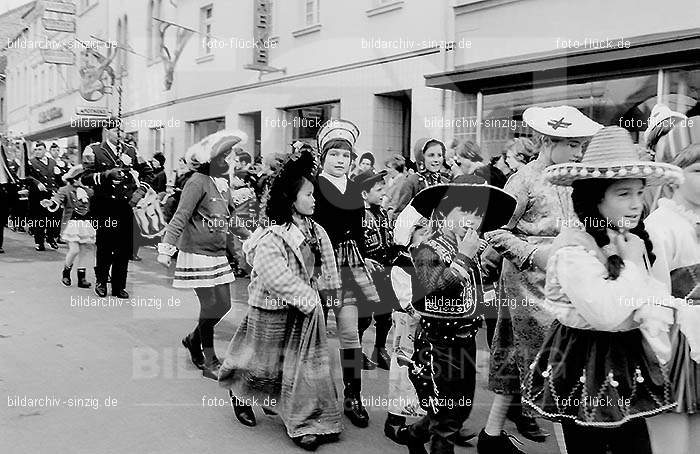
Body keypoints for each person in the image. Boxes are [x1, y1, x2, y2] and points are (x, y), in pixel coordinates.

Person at [522, 125, 682, 454]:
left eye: (639, 193)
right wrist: (634, 264)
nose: (636, 203)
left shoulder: (628, 238)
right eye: (623, 194)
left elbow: (653, 297)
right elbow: (607, 313)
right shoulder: (572, 249)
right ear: (596, 198)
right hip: (583, 360)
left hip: (626, 358)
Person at [479, 105, 602, 453]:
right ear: (550, 141)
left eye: (581, 145)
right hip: (526, 285)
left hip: (563, 281)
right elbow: (494, 230)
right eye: (574, 144)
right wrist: (534, 254)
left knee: (523, 359)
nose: (580, 152)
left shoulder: (574, 180)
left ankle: (490, 436)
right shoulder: (522, 180)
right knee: (550, 364)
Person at [218, 145, 342, 452]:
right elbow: (274, 275)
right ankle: (240, 395)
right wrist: (308, 297)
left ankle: (301, 414)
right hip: (270, 307)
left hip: (302, 309)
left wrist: (331, 298)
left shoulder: (317, 231)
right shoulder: (274, 234)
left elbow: (329, 266)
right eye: (309, 195)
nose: (314, 200)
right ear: (290, 198)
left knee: (292, 364)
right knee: (259, 360)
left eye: (315, 195)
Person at [394, 183, 517, 454]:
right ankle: (424, 438)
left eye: (477, 214)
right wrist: (464, 257)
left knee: (459, 410)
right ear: (443, 213)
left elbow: (474, 293)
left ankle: (413, 434)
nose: (471, 220)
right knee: (447, 420)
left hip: (466, 342)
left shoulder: (470, 248)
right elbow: (436, 288)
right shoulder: (428, 249)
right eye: (463, 211)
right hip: (437, 345)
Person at [157, 130, 244, 380]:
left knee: (224, 305)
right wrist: (166, 248)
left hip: (217, 254)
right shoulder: (197, 181)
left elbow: (232, 219)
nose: (231, 160)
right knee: (209, 306)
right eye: (227, 155)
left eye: (231, 155)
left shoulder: (224, 184)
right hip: (196, 254)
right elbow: (181, 215)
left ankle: (193, 340)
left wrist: (253, 237)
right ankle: (209, 359)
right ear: (212, 159)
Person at [312, 119, 379, 428]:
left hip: (348, 264)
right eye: (334, 155)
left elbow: (361, 232)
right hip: (316, 264)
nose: (340, 161)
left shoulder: (354, 188)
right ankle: (308, 397)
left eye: (345, 156)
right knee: (309, 334)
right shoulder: (312, 185)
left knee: (350, 333)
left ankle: (353, 396)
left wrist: (367, 259)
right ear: (323, 157)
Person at [646, 143, 700, 454]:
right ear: (675, 176)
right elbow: (654, 297)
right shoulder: (660, 226)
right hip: (677, 347)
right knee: (672, 445)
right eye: (697, 171)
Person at [382, 201, 431, 443]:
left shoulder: (430, 258)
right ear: (409, 235)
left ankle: (435, 419)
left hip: (429, 324)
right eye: (422, 232)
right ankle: (395, 419)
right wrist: (420, 313)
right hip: (408, 322)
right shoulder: (403, 262)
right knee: (404, 368)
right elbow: (405, 298)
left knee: (429, 371)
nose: (427, 237)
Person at [80, 124, 147, 298]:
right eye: (116, 131)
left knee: (124, 249)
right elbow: (85, 178)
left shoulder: (131, 151)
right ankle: (101, 281)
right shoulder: (93, 150)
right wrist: (106, 174)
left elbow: (148, 172)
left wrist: (138, 194)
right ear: (106, 131)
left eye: (122, 131)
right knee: (104, 247)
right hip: (104, 206)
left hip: (125, 206)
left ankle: (119, 286)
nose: (120, 134)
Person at [355, 169, 399, 370]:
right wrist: (363, 260)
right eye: (379, 189)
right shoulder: (357, 215)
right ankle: (355, 352)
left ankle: (380, 350)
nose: (384, 193)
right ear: (364, 194)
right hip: (365, 275)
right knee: (363, 317)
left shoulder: (382, 212)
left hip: (385, 272)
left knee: (385, 315)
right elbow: (350, 245)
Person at [41, 165, 95, 288]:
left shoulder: (88, 191)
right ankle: (66, 271)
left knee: (83, 251)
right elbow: (57, 199)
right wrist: (50, 202)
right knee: (74, 250)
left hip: (85, 224)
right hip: (71, 224)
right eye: (82, 177)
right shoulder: (65, 189)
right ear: (75, 179)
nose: (84, 180)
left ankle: (82, 278)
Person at [394, 138, 450, 216]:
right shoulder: (412, 182)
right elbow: (400, 213)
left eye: (439, 155)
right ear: (421, 157)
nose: (436, 160)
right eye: (431, 155)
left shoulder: (445, 182)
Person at [26, 142, 61, 251]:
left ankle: (51, 239)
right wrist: (37, 183)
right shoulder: (30, 162)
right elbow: (26, 176)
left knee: (52, 217)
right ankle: (39, 242)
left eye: (40, 149)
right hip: (37, 194)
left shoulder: (52, 162)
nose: (37, 152)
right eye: (35, 150)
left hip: (50, 193)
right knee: (39, 219)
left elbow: (57, 178)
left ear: (45, 150)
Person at [383, 154, 408, 221]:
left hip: (394, 216)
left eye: (389, 167)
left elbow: (396, 202)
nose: (387, 170)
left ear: (397, 168)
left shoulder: (402, 181)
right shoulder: (392, 180)